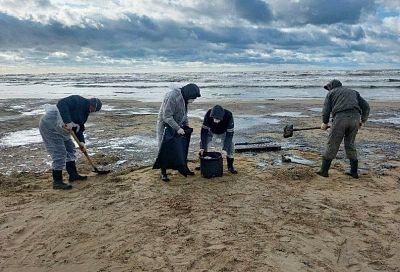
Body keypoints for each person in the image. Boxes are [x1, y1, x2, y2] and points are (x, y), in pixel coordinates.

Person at [39, 95, 102, 190]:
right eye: (93, 109)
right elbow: (62, 104)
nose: (93, 111)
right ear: (91, 104)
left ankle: (73, 175)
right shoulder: (77, 100)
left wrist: (81, 142)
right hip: (50, 125)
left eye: (95, 111)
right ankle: (57, 182)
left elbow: (79, 128)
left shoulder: (85, 113)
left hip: (63, 130)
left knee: (70, 149)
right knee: (59, 152)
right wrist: (67, 121)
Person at [317, 79, 370, 178]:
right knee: (350, 144)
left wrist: (324, 123)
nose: (328, 90)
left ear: (331, 86)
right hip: (355, 119)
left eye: (328, 88)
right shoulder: (353, 92)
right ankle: (354, 172)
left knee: (332, 143)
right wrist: (362, 121)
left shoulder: (331, 93)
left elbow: (326, 109)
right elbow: (366, 107)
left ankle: (324, 171)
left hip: (340, 119)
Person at [155, 83, 201, 182]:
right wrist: (178, 128)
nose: (193, 100)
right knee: (164, 147)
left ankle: (182, 167)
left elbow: (184, 114)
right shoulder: (172, 97)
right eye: (193, 98)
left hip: (177, 122)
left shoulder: (184, 98)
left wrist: (186, 125)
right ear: (189, 94)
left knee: (181, 146)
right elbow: (166, 116)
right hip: (165, 124)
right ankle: (163, 172)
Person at [199, 105, 237, 174]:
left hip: (224, 132)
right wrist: (203, 147)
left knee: (230, 146)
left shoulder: (228, 115)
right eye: (215, 119)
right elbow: (204, 131)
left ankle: (230, 166)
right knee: (202, 144)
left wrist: (225, 149)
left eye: (218, 119)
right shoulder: (208, 114)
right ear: (212, 116)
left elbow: (229, 134)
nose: (216, 121)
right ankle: (203, 164)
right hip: (211, 131)